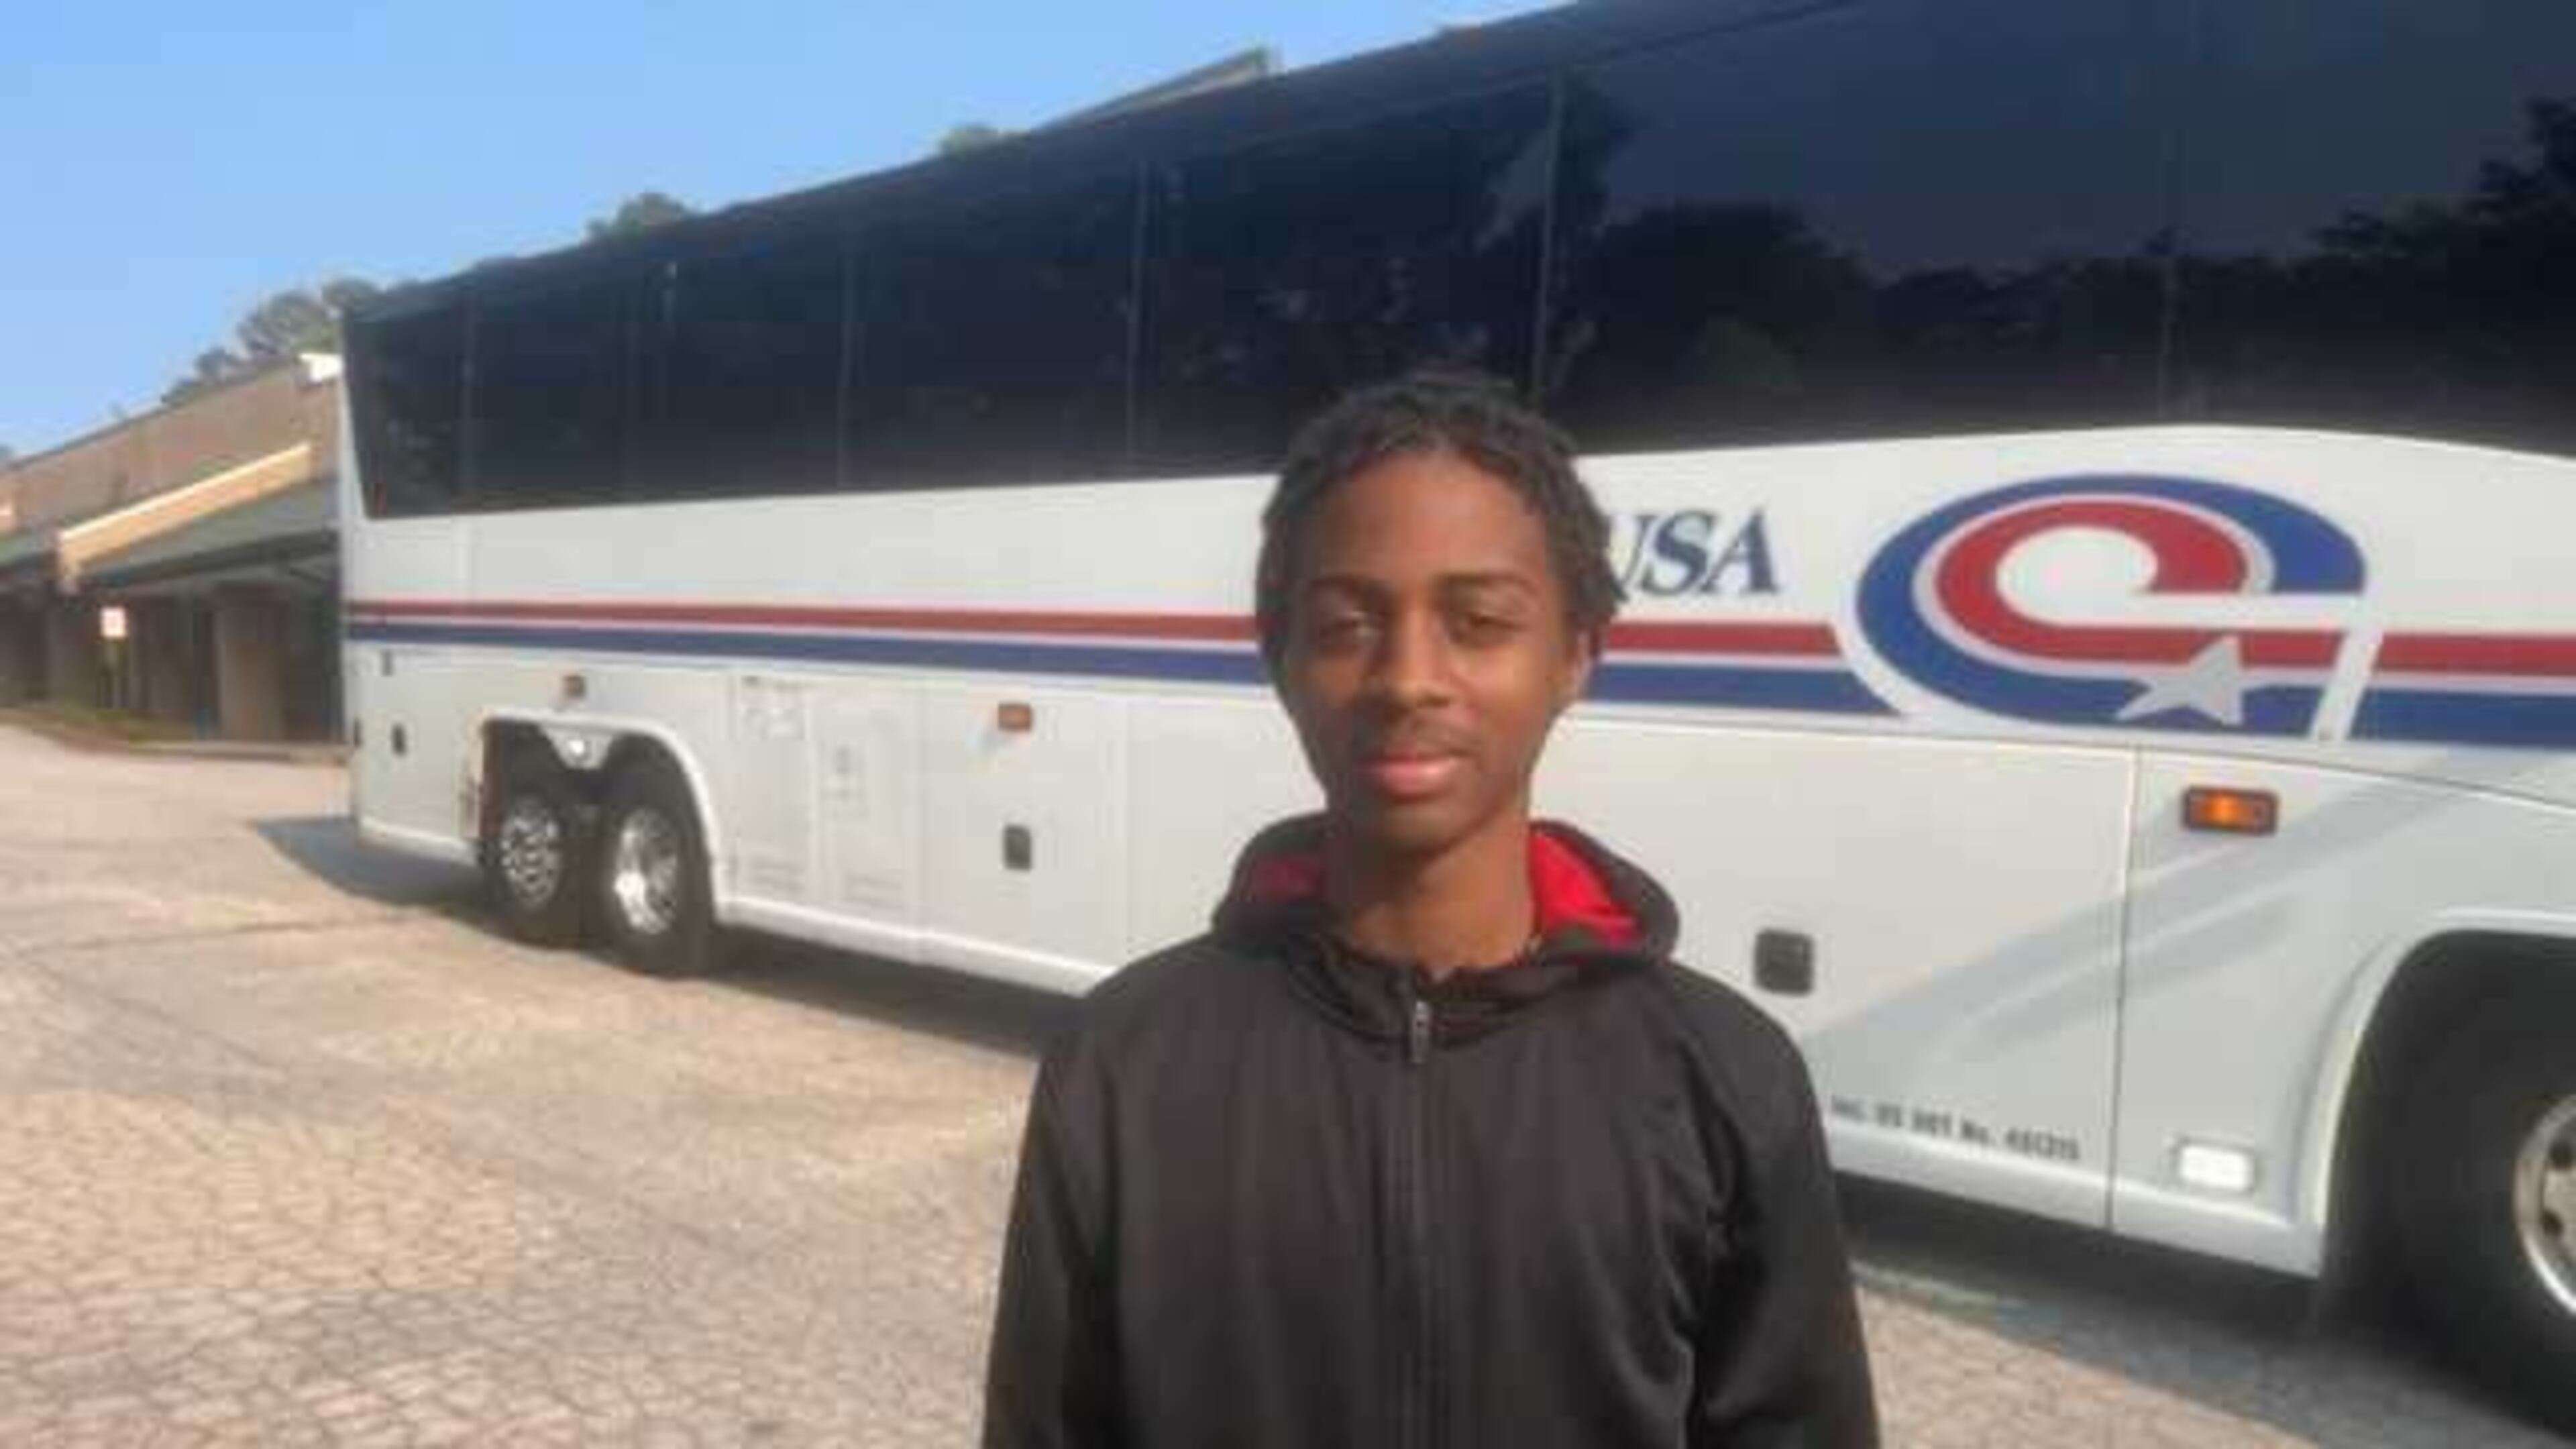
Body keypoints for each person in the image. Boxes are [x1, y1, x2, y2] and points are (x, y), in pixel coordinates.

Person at [983, 372, 1879, 1448]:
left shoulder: (1724, 1077)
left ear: (1576, 656)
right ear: (1282, 664)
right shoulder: (1122, 1061)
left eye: (1480, 621)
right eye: (1348, 623)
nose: (1410, 677)